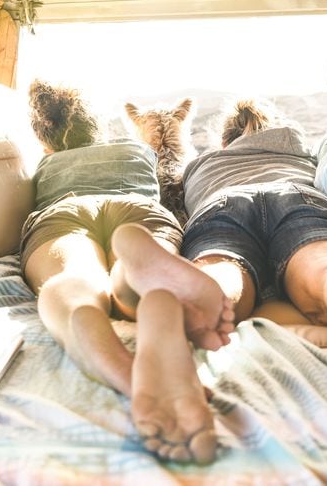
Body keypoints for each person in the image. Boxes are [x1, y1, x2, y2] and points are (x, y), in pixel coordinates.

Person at [116, 99, 327, 465]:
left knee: (223, 277)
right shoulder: (300, 149)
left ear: (225, 142)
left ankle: (191, 297)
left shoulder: (204, 163)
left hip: (221, 204)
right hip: (298, 195)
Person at [20, 80, 236, 465]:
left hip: (66, 210)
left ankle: (121, 368)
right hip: (138, 207)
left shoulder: (48, 162)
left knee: (74, 274)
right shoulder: (135, 150)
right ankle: (145, 288)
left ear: (47, 142)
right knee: (133, 276)